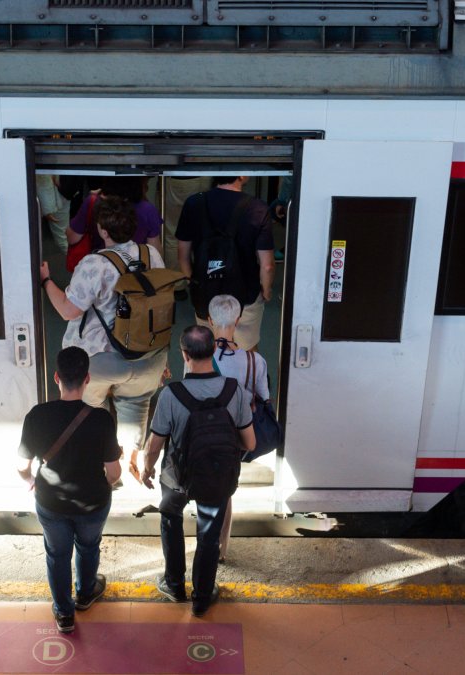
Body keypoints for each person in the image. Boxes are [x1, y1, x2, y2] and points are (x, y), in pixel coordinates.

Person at [132, 326, 254, 617]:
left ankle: (174, 585)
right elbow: (249, 441)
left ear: (184, 355)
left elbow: (154, 445)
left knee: (171, 520)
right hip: (217, 476)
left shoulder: (172, 394)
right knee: (209, 535)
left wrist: (147, 470)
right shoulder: (233, 390)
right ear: (214, 351)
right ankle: (202, 597)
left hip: (176, 478)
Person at [41, 196, 169, 457]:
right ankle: (132, 460)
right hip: (149, 355)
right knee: (135, 408)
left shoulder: (94, 264)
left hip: (100, 359)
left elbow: (69, 309)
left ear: (103, 230)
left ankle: (103, 464)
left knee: (92, 410)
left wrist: (46, 282)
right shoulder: (152, 255)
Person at [16, 346, 122, 633]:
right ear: (87, 378)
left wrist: (30, 482)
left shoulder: (37, 415)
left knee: (57, 554)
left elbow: (22, 466)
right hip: (92, 504)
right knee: (88, 547)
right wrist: (103, 486)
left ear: (55, 377)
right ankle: (86, 594)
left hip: (51, 502)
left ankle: (64, 613)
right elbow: (113, 473)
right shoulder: (101, 419)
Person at [206, 294, 273, 561]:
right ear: (239, 319)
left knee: (206, 486)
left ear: (210, 321)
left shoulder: (198, 357)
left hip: (205, 432)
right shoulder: (255, 361)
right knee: (226, 491)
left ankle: (206, 541)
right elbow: (264, 398)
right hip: (236, 436)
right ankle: (223, 549)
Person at [176, 176, 275, 352]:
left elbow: (183, 255)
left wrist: (193, 282)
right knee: (247, 350)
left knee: (207, 350)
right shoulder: (258, 208)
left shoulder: (193, 203)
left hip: (205, 292)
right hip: (246, 293)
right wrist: (266, 291)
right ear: (243, 175)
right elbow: (267, 265)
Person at [67, 176, 164, 252]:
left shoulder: (93, 202)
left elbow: (72, 238)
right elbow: (154, 250)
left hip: (101, 268)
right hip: (137, 271)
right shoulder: (148, 210)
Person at [35, 174, 72, 255]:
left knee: (63, 236)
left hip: (60, 193)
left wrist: (48, 208)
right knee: (64, 235)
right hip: (62, 191)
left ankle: (75, 260)